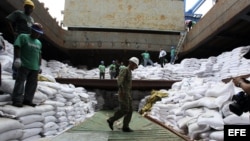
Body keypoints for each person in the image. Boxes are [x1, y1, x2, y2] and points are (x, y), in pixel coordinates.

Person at [11, 23, 43, 107]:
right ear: (32, 30)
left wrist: (39, 65)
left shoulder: (39, 42)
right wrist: (17, 58)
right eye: (37, 32)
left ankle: (28, 100)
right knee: (20, 82)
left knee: (32, 85)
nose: (38, 35)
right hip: (24, 65)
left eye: (39, 33)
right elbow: (17, 46)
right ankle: (17, 100)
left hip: (34, 67)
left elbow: (39, 55)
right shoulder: (23, 37)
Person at [107, 57, 139, 132]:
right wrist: (121, 92)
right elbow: (120, 80)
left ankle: (125, 126)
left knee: (130, 110)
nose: (135, 67)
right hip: (123, 93)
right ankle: (111, 120)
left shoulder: (129, 71)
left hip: (127, 93)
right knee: (125, 110)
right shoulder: (125, 69)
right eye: (135, 65)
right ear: (131, 63)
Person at [6, 0, 35, 80]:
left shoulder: (31, 19)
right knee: (17, 56)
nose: (30, 9)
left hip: (28, 39)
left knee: (25, 56)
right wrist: (13, 32)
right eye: (28, 7)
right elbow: (8, 20)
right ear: (25, 7)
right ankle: (15, 74)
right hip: (19, 37)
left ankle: (23, 73)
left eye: (31, 8)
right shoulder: (18, 13)